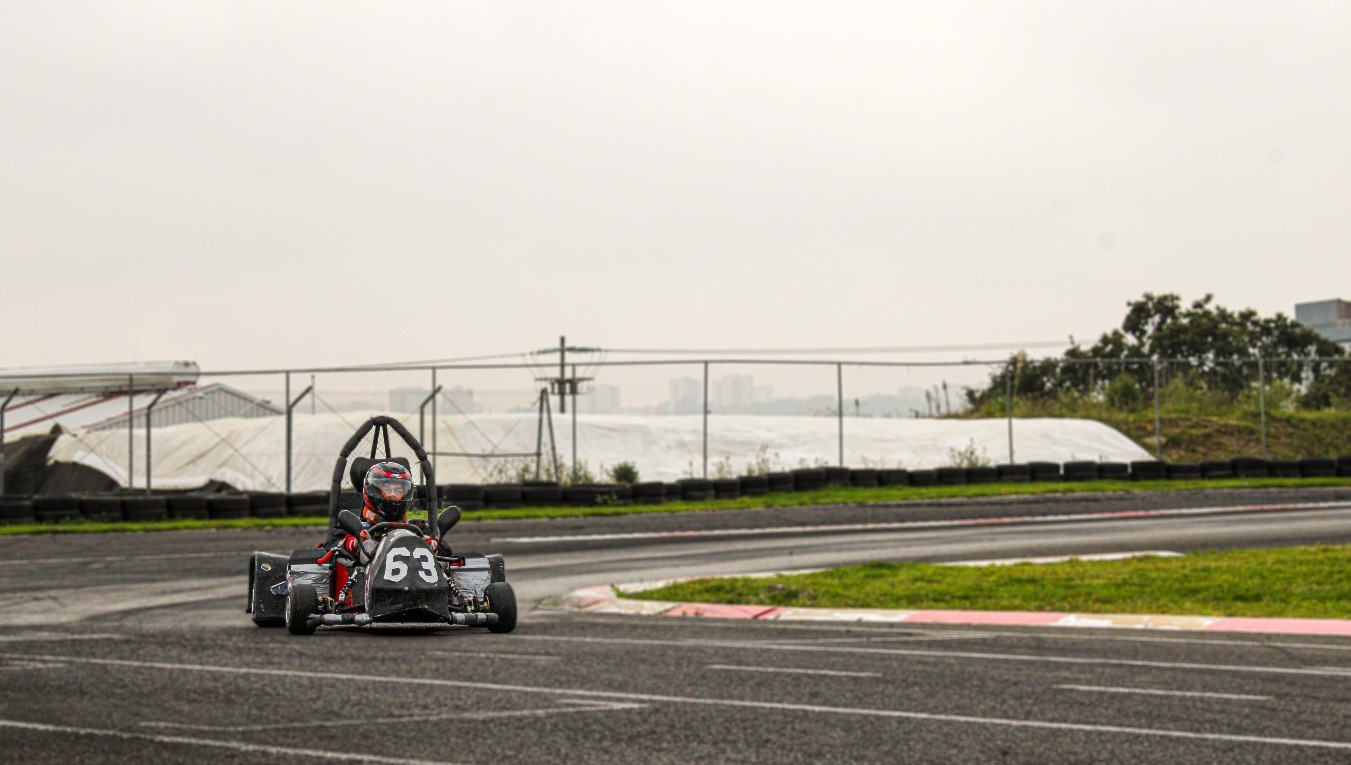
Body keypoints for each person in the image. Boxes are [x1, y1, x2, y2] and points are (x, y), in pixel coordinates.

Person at [318, 461, 436, 605]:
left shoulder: (418, 528)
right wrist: (355, 543)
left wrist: (431, 543)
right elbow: (332, 545)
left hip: (421, 591)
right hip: (366, 596)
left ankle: (438, 599)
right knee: (367, 545)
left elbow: (446, 552)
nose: (393, 495)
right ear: (373, 490)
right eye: (387, 488)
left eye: (398, 490)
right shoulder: (354, 527)